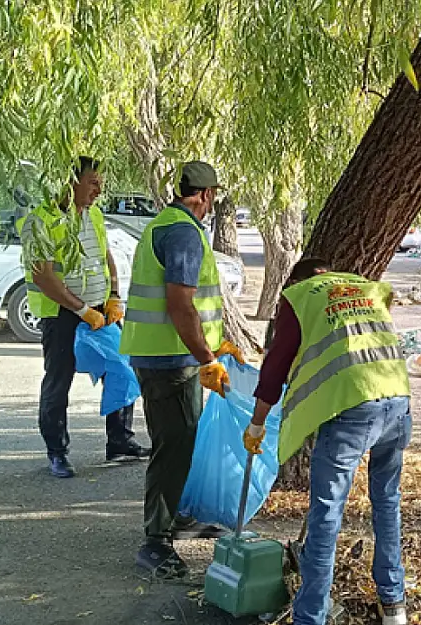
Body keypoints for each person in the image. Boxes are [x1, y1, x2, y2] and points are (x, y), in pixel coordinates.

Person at [246, 257, 412, 625]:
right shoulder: (365, 285)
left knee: (326, 514)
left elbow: (276, 366)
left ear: (296, 280)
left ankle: (310, 617)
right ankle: (394, 605)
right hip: (397, 400)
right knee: (387, 502)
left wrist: (257, 424)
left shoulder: (300, 296)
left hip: (351, 409)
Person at [120, 161, 248, 577]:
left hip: (164, 356)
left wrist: (212, 347)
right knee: (173, 446)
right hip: (169, 361)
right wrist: (206, 358)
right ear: (206, 195)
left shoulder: (163, 224)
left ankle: (173, 516)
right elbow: (180, 304)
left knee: (178, 440)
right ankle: (155, 543)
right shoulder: (184, 234)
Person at [19, 157, 148, 479]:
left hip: (100, 309)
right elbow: (44, 277)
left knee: (122, 369)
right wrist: (81, 310)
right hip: (62, 314)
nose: (99, 190)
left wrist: (115, 295)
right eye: (93, 182)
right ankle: (57, 452)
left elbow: (105, 257)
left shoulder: (94, 215)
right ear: (70, 182)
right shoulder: (41, 221)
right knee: (58, 381)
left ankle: (120, 439)